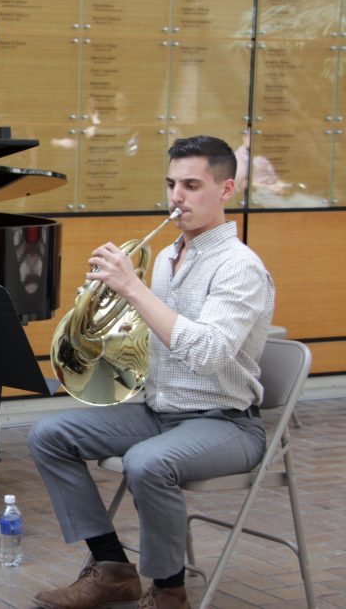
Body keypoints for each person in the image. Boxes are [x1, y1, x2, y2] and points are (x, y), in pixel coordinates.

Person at [28, 135, 274, 609]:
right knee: (48, 434)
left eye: (192, 185)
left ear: (227, 190)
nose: (176, 197)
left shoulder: (240, 268)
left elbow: (208, 354)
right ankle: (113, 569)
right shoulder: (164, 257)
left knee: (147, 462)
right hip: (160, 410)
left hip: (225, 422)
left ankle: (168, 591)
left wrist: (133, 288)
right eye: (171, 184)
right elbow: (145, 339)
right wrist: (104, 308)